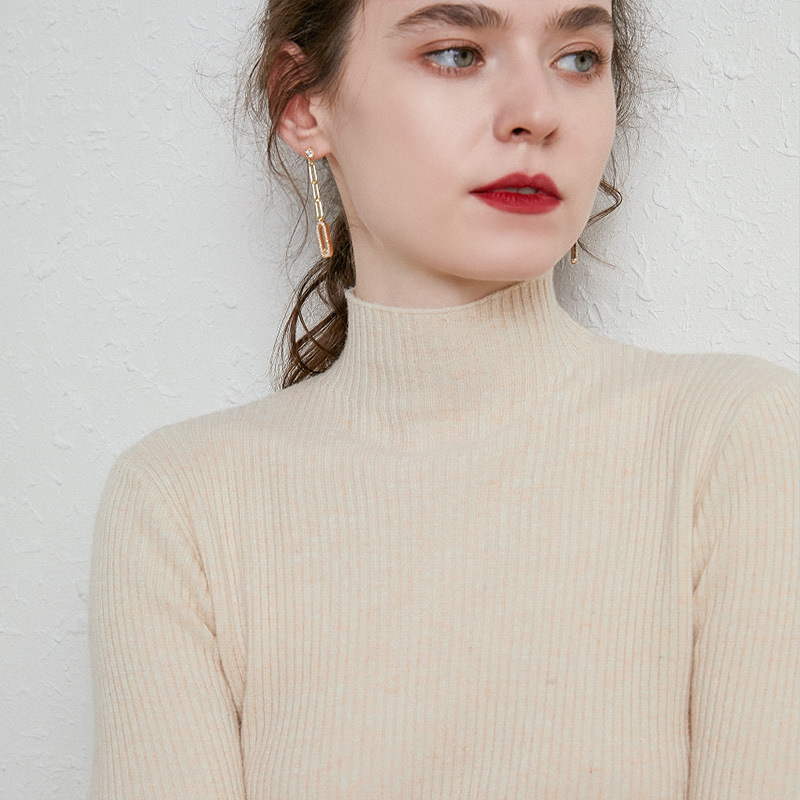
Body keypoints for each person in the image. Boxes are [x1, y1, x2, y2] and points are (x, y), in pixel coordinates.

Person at [87, 0, 799, 797]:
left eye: (578, 58)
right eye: (457, 53)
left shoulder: (738, 442)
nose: (537, 112)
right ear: (303, 102)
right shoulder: (181, 503)